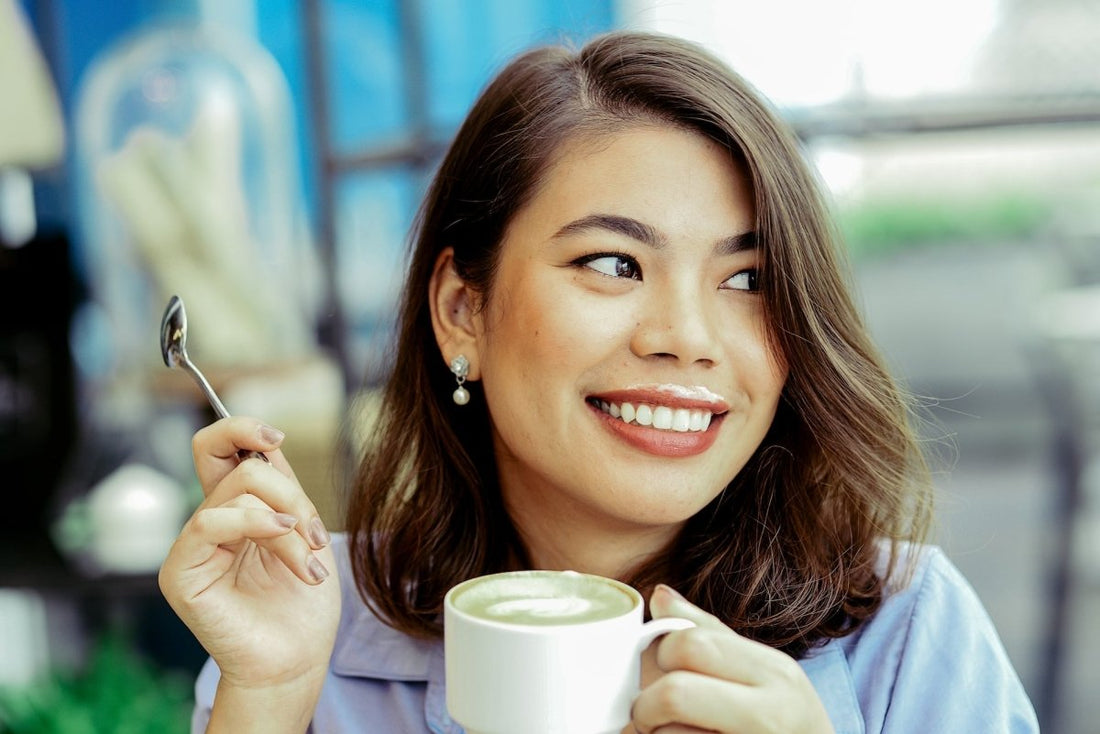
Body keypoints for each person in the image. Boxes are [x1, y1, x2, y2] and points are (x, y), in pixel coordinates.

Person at [158, 31, 1039, 733]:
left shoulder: (908, 634)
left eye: (747, 280)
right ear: (464, 310)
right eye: (614, 263)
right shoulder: (311, 621)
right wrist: (268, 698)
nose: (686, 339)